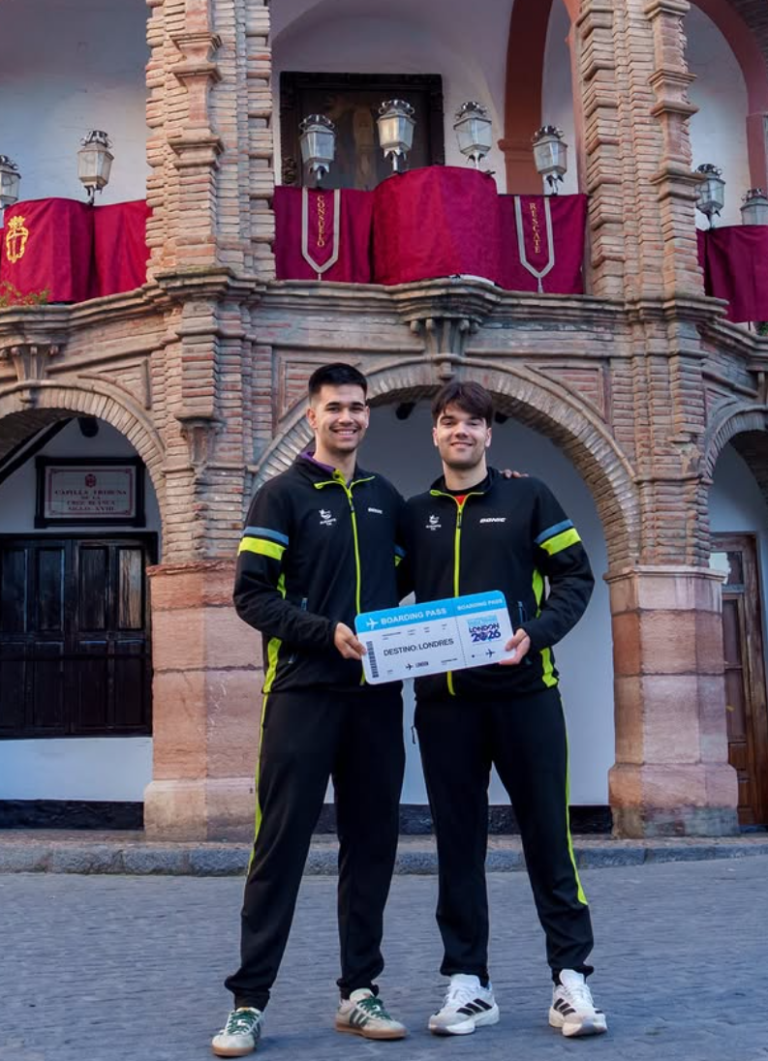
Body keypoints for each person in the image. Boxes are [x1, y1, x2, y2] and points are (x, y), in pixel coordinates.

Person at [212, 363, 408, 1057]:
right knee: (280, 848)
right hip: (300, 695)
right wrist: (324, 632)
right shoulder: (281, 495)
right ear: (311, 416)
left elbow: (434, 559)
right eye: (334, 408)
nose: (347, 418)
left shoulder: (388, 498)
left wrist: (501, 482)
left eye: (357, 407)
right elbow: (251, 595)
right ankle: (248, 1002)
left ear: (366, 416)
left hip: (378, 700)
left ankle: (360, 992)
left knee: (372, 845)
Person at [402, 379, 607, 1040]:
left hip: (526, 698)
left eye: (474, 423)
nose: (461, 431)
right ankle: (469, 982)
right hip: (446, 708)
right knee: (459, 846)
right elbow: (378, 589)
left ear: (491, 434)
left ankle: (571, 979)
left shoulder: (529, 496)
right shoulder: (414, 514)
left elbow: (576, 574)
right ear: (435, 433)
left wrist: (537, 633)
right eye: (450, 421)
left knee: (550, 837)